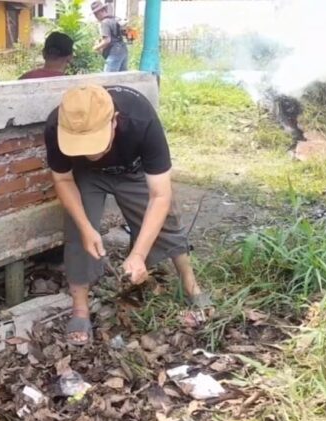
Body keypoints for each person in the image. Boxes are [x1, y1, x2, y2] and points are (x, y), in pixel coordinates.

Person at [45, 85, 211, 346]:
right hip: (86, 176)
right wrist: (87, 228)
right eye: (81, 144)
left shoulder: (140, 118)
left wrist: (138, 255)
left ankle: (191, 287)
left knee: (167, 221)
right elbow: (63, 180)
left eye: (95, 143)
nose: (91, 153)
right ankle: (80, 309)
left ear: (114, 120)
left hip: (133, 170)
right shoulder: (57, 124)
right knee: (77, 231)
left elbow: (160, 195)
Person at [90, 0, 128, 72]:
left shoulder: (104, 23)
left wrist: (95, 48)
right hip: (123, 49)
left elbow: (107, 40)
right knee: (122, 76)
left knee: (108, 77)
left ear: (100, 11)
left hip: (114, 52)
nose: (95, 16)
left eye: (95, 14)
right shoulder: (114, 19)